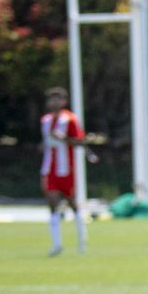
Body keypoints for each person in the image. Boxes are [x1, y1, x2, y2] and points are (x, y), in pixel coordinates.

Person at [41, 87, 95, 257]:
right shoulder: (45, 120)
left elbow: (80, 141)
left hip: (67, 169)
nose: (54, 102)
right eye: (52, 99)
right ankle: (56, 244)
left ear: (64, 101)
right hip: (49, 167)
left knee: (72, 204)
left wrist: (63, 138)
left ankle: (82, 240)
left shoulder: (70, 119)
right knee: (52, 203)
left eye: (58, 99)